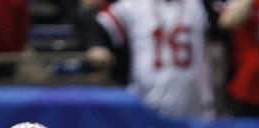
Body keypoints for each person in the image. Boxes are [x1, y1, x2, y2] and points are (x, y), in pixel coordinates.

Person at [88, 0, 220, 118]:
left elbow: (222, 25)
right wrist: (97, 47)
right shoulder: (133, 5)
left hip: (193, 107)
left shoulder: (200, 4)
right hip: (146, 106)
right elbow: (100, 28)